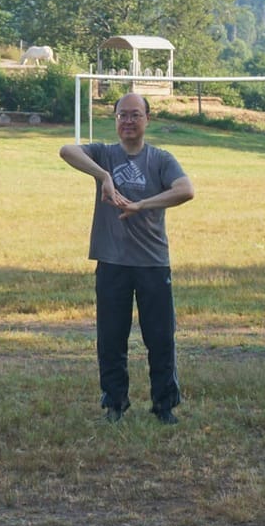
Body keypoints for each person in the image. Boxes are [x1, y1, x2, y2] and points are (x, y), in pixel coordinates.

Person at [60, 93, 195, 424]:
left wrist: (143, 205)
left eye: (136, 115)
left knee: (160, 337)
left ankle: (164, 405)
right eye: (123, 115)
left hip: (152, 262)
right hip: (112, 261)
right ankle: (115, 403)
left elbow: (185, 190)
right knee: (111, 337)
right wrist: (103, 176)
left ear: (148, 119)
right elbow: (66, 150)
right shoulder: (104, 154)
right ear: (115, 119)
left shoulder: (160, 159)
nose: (129, 121)